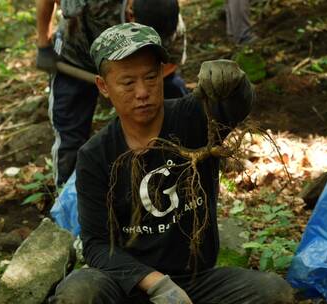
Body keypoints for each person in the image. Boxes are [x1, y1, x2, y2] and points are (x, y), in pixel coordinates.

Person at [49, 22, 294, 304]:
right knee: (80, 291)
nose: (142, 92)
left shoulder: (193, 117)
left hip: (196, 285)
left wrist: (234, 83)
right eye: (128, 82)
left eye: (151, 78)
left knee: (272, 293)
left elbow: (235, 107)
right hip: (128, 286)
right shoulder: (96, 155)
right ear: (104, 87)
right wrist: (156, 285)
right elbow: (96, 245)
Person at [36, 0, 187, 187]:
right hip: (75, 56)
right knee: (70, 133)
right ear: (131, 13)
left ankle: (175, 173)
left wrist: (132, 84)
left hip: (130, 70)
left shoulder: (168, 21)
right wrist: (44, 43)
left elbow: (172, 60)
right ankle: (68, 197)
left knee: (176, 97)